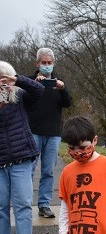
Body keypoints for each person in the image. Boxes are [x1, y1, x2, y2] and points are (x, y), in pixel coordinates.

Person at [0, 61, 43, 234]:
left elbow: (39, 90)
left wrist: (16, 81)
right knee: (0, 207)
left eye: (3, 78)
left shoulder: (20, 97)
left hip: (21, 159)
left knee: (23, 206)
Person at [27, 48, 72, 219]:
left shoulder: (58, 83)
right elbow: (23, 102)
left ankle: (44, 204)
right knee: (28, 169)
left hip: (53, 133)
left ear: (53, 63)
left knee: (48, 171)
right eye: (43, 63)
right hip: (33, 132)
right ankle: (25, 203)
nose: (47, 66)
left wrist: (62, 88)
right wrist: (35, 86)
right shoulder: (30, 82)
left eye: (49, 63)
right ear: (37, 64)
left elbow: (68, 103)